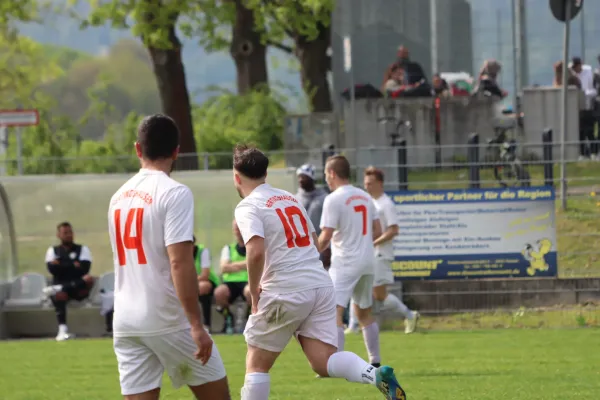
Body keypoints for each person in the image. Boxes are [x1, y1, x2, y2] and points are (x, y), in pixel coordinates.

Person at [232, 144, 406, 400]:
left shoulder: (248, 206)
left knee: (257, 364)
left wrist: (256, 295)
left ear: (236, 177)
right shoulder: (289, 198)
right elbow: (313, 241)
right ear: (265, 174)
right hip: (319, 284)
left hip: (285, 288)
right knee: (323, 361)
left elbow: (255, 251)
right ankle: (374, 374)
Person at [107, 114, 230, 400]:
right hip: (166, 316)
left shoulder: (117, 197)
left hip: (126, 319)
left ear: (138, 149)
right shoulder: (175, 193)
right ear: (177, 151)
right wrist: (196, 324)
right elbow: (180, 261)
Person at [317, 155, 384, 368]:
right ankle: (375, 361)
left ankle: (336, 363)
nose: (326, 178)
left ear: (333, 174)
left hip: (345, 261)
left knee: (333, 311)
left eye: (326, 174)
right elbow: (377, 231)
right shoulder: (364, 196)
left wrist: (309, 254)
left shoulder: (333, 199)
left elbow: (326, 236)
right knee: (364, 312)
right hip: (367, 261)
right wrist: (361, 244)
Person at [346, 167, 419, 335]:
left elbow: (393, 230)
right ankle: (353, 326)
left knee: (379, 295)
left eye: (370, 183)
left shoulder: (386, 204)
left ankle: (409, 314)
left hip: (381, 254)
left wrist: (373, 242)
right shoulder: (369, 202)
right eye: (365, 184)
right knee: (356, 285)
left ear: (380, 183)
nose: (367, 187)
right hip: (367, 254)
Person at [43, 222, 95, 341]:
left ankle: (60, 287)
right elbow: (53, 270)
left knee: (88, 279)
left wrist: (61, 264)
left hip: (78, 290)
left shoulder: (83, 249)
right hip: (67, 288)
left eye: (70, 232)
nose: (69, 235)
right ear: (58, 235)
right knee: (60, 294)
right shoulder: (53, 250)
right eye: (65, 233)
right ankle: (62, 330)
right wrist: (73, 265)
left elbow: (84, 269)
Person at [215, 220, 251, 334]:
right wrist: (246, 264)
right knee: (219, 292)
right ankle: (228, 318)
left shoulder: (253, 246)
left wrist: (233, 266)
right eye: (236, 228)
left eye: (240, 227)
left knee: (251, 291)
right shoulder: (228, 248)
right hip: (230, 283)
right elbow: (224, 268)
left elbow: (259, 262)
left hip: (248, 281)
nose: (238, 231)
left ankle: (249, 318)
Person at [295, 164, 330, 269]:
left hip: (321, 245)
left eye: (304, 177)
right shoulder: (295, 199)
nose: (301, 180)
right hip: (301, 248)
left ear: (311, 178)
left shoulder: (324, 198)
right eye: (299, 177)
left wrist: (328, 247)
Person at [571, 57, 598, 161]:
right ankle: (583, 153)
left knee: (590, 131)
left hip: (588, 106)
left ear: (580, 65)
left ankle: (594, 152)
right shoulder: (573, 74)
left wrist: (585, 94)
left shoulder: (589, 73)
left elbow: (594, 91)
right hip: (577, 107)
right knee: (580, 132)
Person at [194, 235, 219, 332]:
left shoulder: (202, 252)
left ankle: (206, 324)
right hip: (191, 282)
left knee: (202, 287)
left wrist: (188, 281)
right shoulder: (180, 254)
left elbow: (205, 275)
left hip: (207, 282)